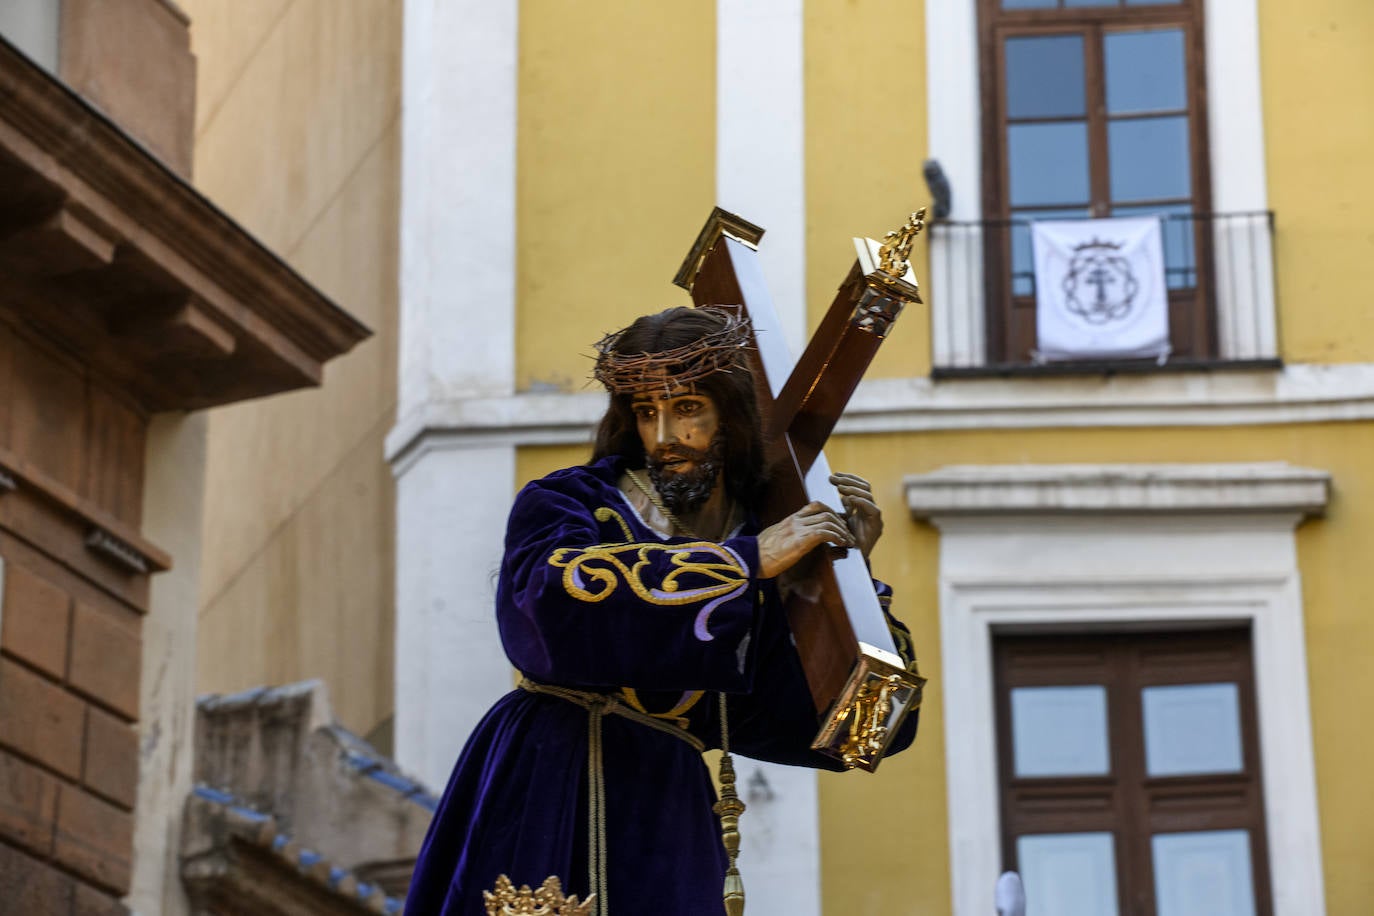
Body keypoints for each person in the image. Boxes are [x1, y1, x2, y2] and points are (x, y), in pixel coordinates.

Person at [406, 306, 919, 916]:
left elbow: (866, 732)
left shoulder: (763, 546)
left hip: (668, 806)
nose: (664, 437)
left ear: (731, 415)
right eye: (647, 412)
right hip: (557, 776)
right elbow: (549, 611)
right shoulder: (570, 503)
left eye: (687, 409)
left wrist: (847, 583)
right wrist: (745, 562)